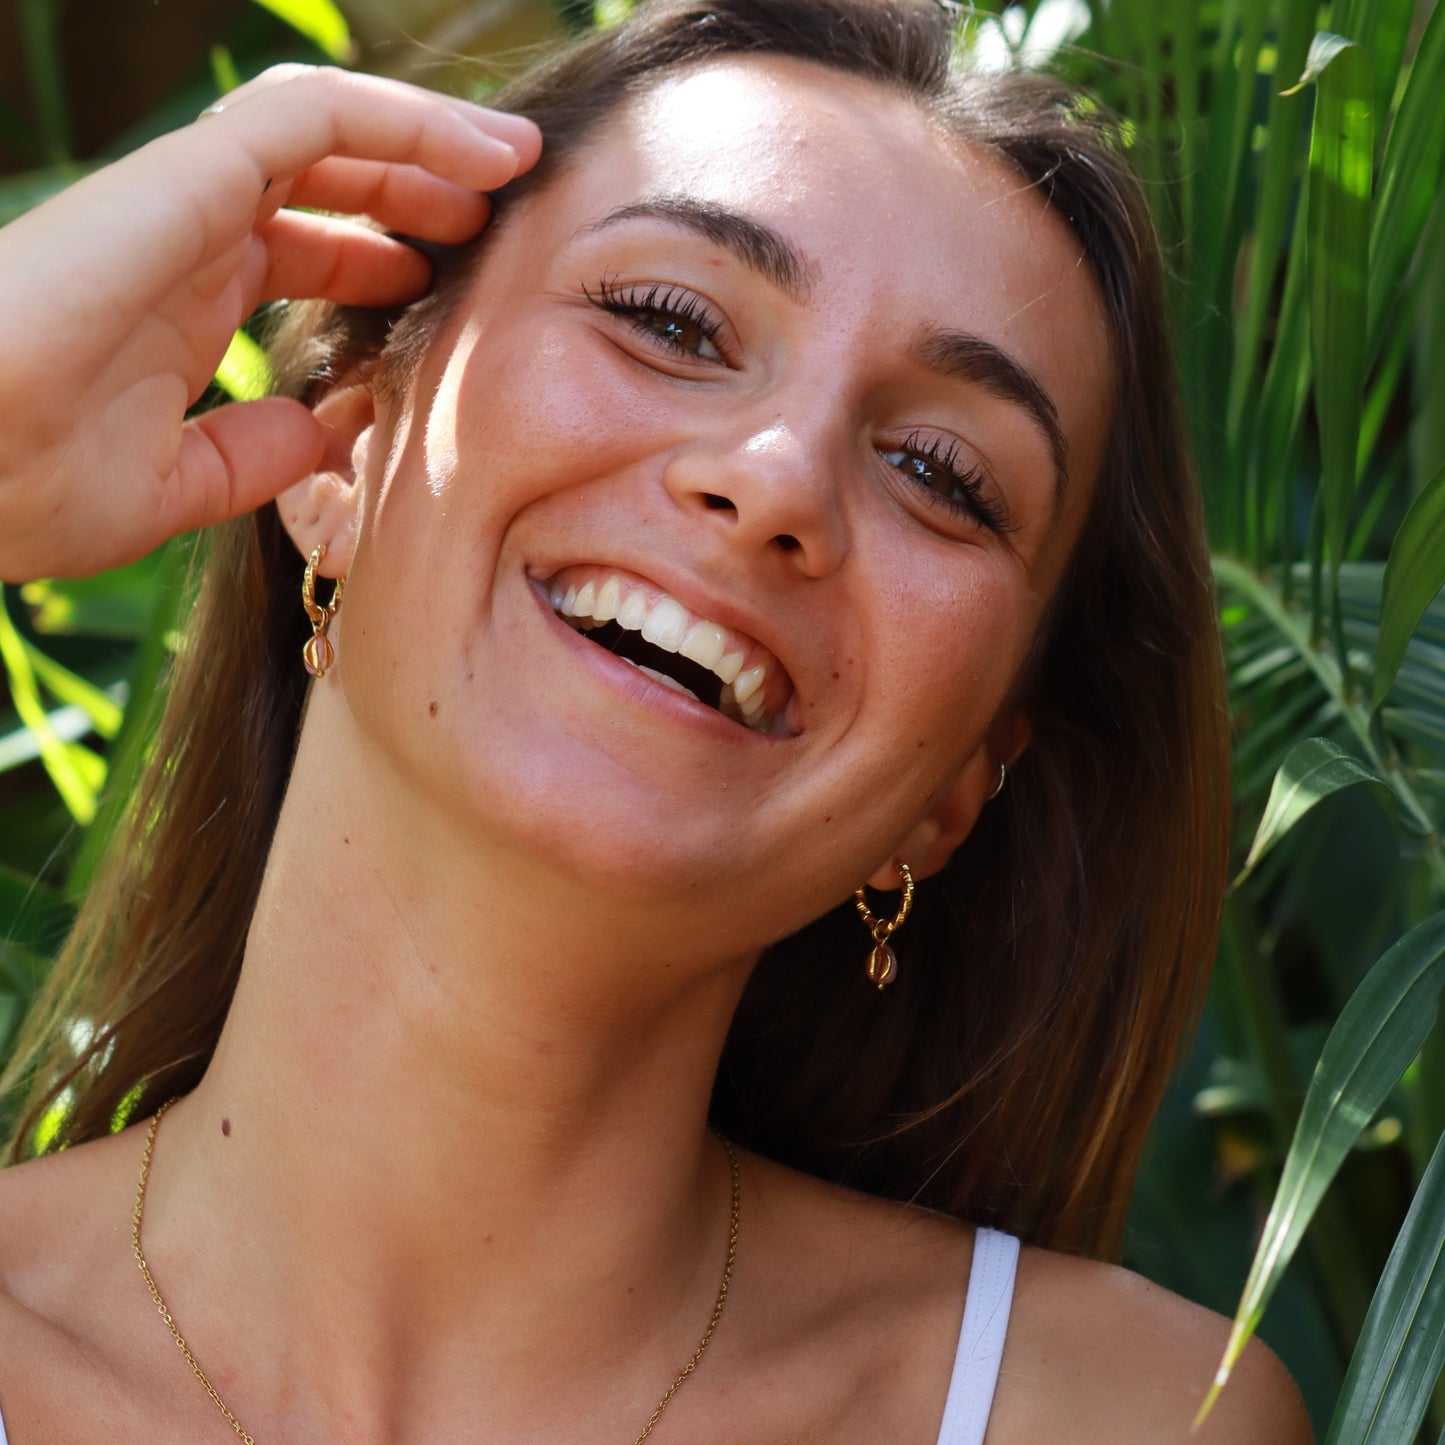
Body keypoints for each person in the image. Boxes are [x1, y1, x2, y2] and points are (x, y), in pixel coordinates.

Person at [0, 1, 1313, 1440]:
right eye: (669, 321)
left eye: (941, 473)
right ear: (347, 442)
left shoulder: (1112, 1420)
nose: (777, 482)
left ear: (956, 786)